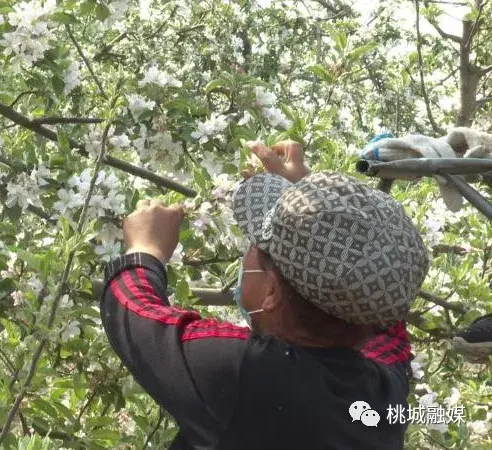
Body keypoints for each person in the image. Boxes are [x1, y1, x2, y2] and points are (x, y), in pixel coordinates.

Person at [99, 140, 428, 449]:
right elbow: (383, 313)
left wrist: (145, 249)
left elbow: (133, 311)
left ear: (270, 290)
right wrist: (315, 199)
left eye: (256, 245)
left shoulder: (239, 373)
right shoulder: (383, 396)